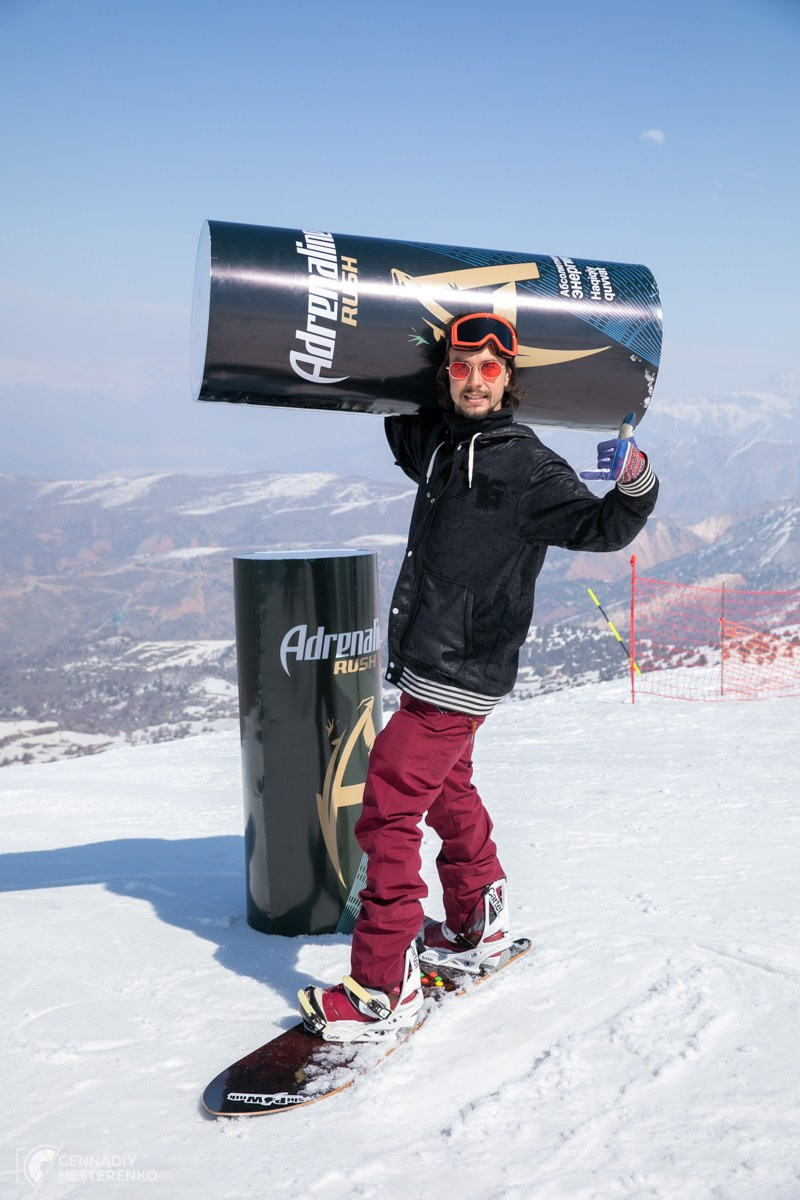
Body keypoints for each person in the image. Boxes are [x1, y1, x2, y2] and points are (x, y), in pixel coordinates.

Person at [298, 311, 658, 1042]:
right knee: (447, 789)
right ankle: (476, 914)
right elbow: (399, 422)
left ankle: (382, 982)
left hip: (459, 672)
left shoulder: (526, 464)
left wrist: (635, 481)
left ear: (509, 379)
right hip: (432, 662)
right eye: (461, 366)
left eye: (490, 369)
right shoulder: (437, 444)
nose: (474, 380)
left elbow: (604, 529)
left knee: (389, 813)